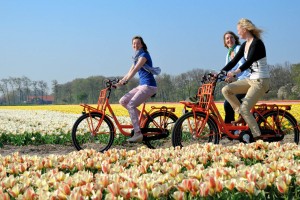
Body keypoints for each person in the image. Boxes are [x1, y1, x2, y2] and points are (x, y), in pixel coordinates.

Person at [221, 18, 270, 143]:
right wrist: (219, 73)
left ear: (245, 29)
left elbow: (249, 62)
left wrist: (235, 73)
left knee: (245, 107)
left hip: (261, 80)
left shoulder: (257, 43)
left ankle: (258, 138)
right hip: (250, 80)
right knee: (226, 90)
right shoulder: (245, 44)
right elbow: (234, 61)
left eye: (238, 31)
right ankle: (242, 115)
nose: (238, 34)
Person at [115, 36, 158, 143]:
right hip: (141, 85)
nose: (135, 45)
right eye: (134, 44)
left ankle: (138, 133)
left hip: (149, 86)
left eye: (138, 43)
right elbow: (129, 72)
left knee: (131, 105)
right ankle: (142, 117)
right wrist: (119, 83)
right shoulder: (136, 58)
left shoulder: (144, 55)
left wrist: (126, 81)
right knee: (123, 101)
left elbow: (135, 70)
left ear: (142, 45)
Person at [222, 31, 250, 124]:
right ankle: (230, 128)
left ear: (235, 39)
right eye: (227, 38)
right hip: (239, 81)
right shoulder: (228, 54)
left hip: (247, 79)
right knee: (227, 103)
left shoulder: (238, 49)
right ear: (225, 42)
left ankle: (236, 124)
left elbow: (241, 66)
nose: (229, 40)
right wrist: (218, 76)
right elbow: (228, 69)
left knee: (228, 103)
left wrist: (233, 75)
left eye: (231, 37)